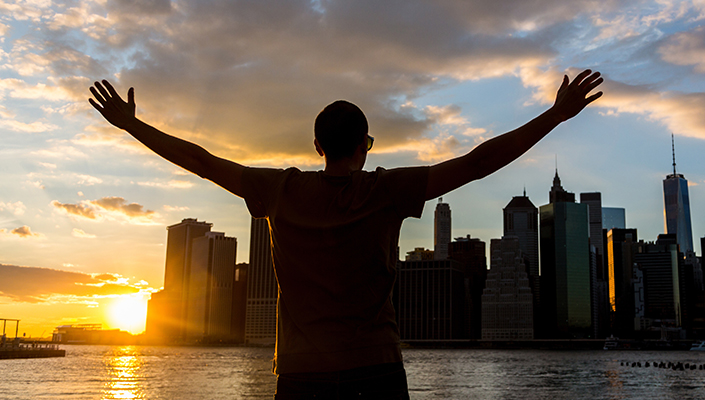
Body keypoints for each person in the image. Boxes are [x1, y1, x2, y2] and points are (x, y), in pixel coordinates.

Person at [88, 70, 603, 399]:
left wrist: (132, 126)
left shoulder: (279, 191)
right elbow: (478, 162)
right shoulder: (388, 191)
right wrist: (556, 114)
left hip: (300, 377)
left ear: (317, 146)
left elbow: (200, 161)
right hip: (375, 373)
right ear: (365, 146)